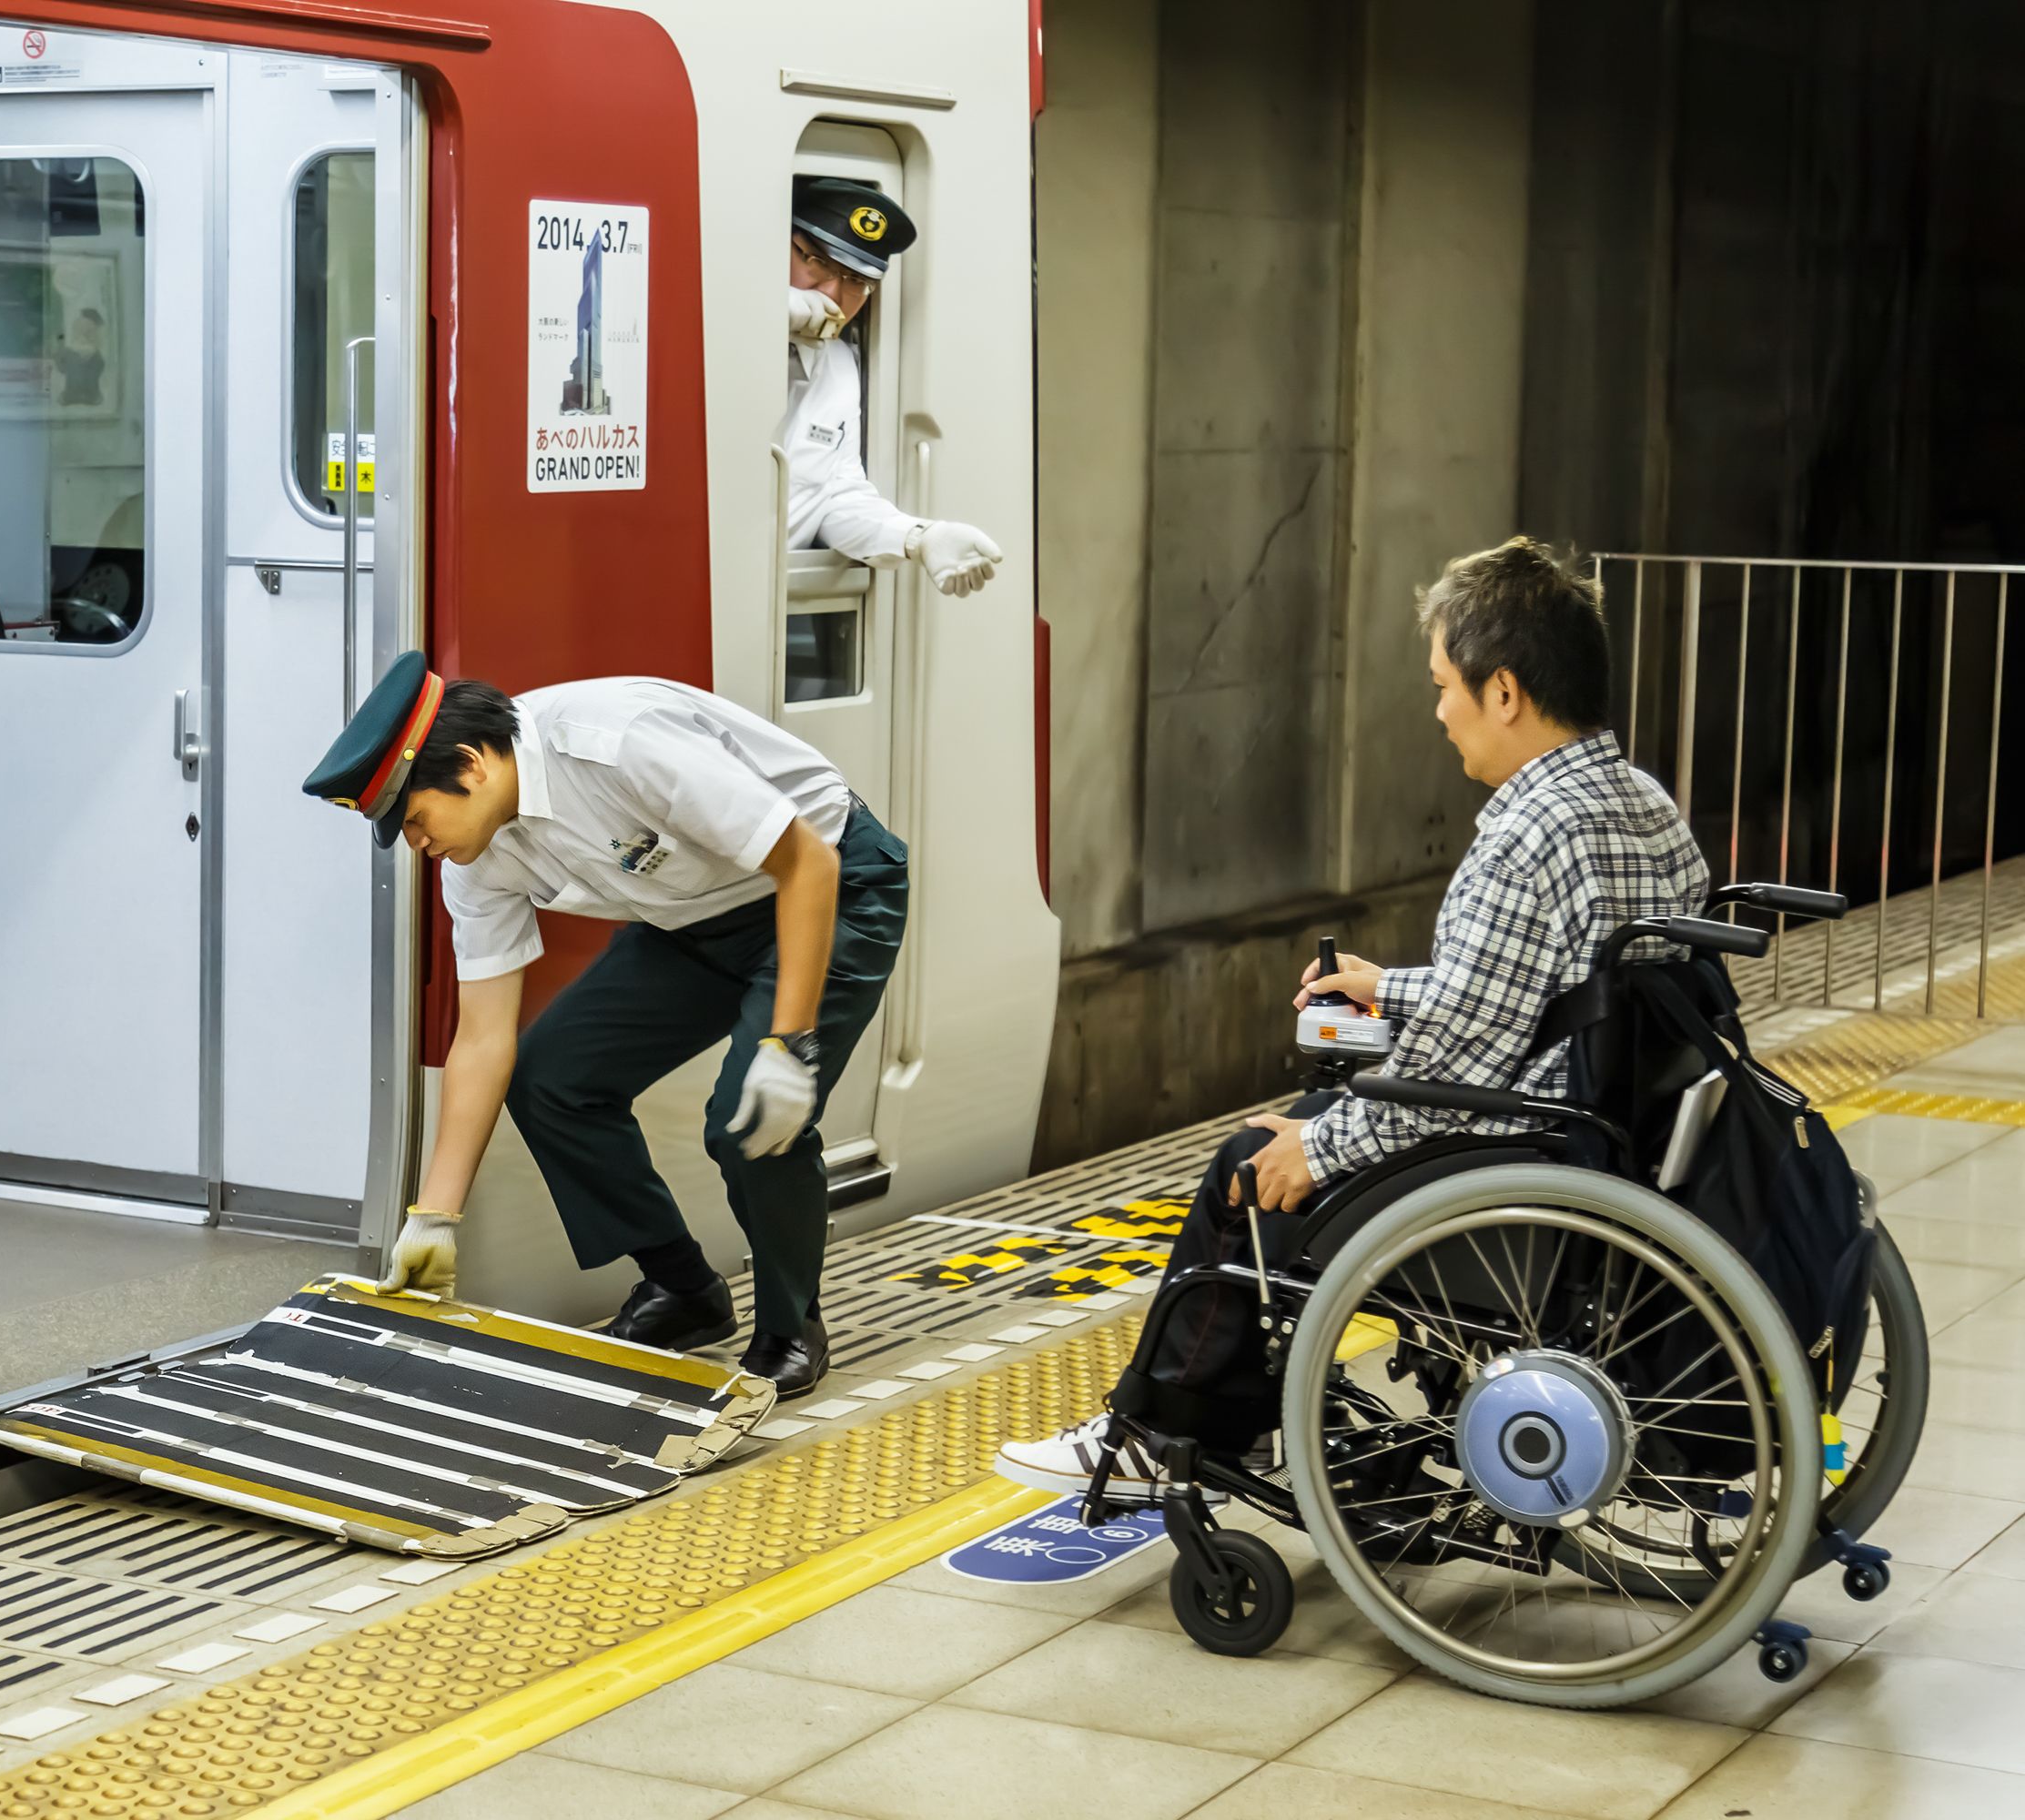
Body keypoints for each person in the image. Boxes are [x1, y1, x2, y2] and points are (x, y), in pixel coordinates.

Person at [993, 537, 1711, 1499]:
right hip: (1600, 1134)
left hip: (1520, 1168)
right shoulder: (1643, 804)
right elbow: (1531, 996)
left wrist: (1319, 1148)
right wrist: (1391, 987)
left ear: (1505, 691)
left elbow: (1463, 1067)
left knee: (1250, 1163)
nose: (1439, 710)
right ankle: (1231, 1416)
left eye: (1444, 684)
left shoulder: (1524, 836)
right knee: (1304, 1115)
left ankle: (1165, 1435)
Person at [302, 655, 909, 1398]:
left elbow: (806, 863)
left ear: (470, 764)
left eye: (417, 820)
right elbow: (484, 1038)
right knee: (551, 1076)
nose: (418, 846)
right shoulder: (474, 857)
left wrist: (788, 1044)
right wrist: (434, 1218)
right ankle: (684, 1288)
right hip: (691, 922)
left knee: (745, 1122)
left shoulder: (618, 744)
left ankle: (790, 1327)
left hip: (832, 883)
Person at [784, 176, 1003, 597]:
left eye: (856, 282)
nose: (833, 293)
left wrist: (917, 537)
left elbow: (832, 498)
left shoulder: (840, 369)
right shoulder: (710, 335)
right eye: (818, 262)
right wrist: (760, 312)